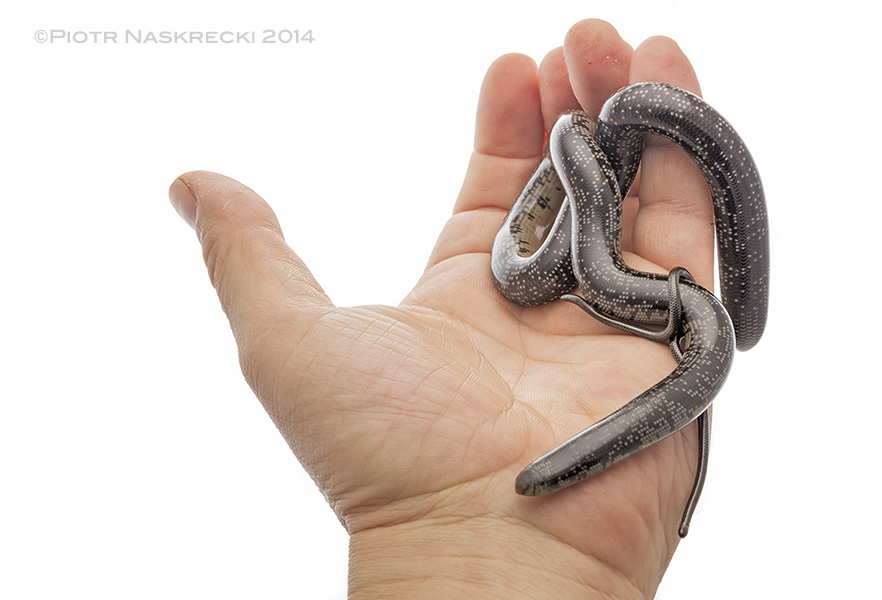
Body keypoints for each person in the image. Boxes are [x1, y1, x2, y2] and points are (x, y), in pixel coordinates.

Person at [168, 18, 720, 599]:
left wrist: (442, 539)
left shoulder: (580, 163)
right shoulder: (575, 162)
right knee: (595, 244)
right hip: (568, 239)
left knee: (607, 258)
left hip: (583, 234)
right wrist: (450, 537)